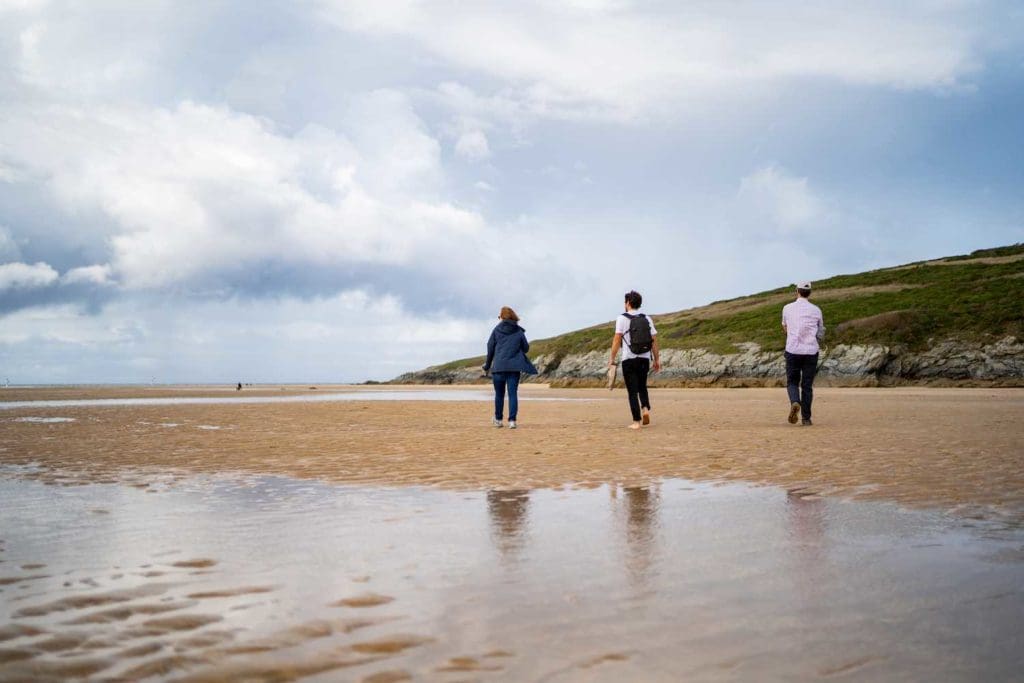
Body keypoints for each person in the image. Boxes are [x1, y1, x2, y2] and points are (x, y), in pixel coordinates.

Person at [608, 290, 661, 429]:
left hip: (629, 359)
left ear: (628, 303)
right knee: (642, 386)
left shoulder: (622, 318)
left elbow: (616, 340)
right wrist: (656, 359)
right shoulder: (647, 318)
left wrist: (612, 358)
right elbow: (654, 340)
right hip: (644, 358)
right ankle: (645, 409)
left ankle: (636, 422)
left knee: (632, 391)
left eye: (625, 302)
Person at [483, 307, 538, 429]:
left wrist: (487, 365)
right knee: (512, 394)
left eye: (500, 317)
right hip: (514, 368)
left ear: (502, 317)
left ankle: (498, 420)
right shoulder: (518, 331)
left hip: (498, 367)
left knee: (499, 394)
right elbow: (526, 348)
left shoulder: (496, 330)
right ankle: (512, 421)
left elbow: (490, 347)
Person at [782, 281, 825, 425]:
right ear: (810, 293)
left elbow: (785, 327)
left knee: (792, 382)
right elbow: (820, 332)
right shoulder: (816, 310)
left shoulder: (787, 308)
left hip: (793, 349)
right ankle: (806, 419)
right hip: (811, 351)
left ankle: (795, 402)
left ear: (797, 291)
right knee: (807, 385)